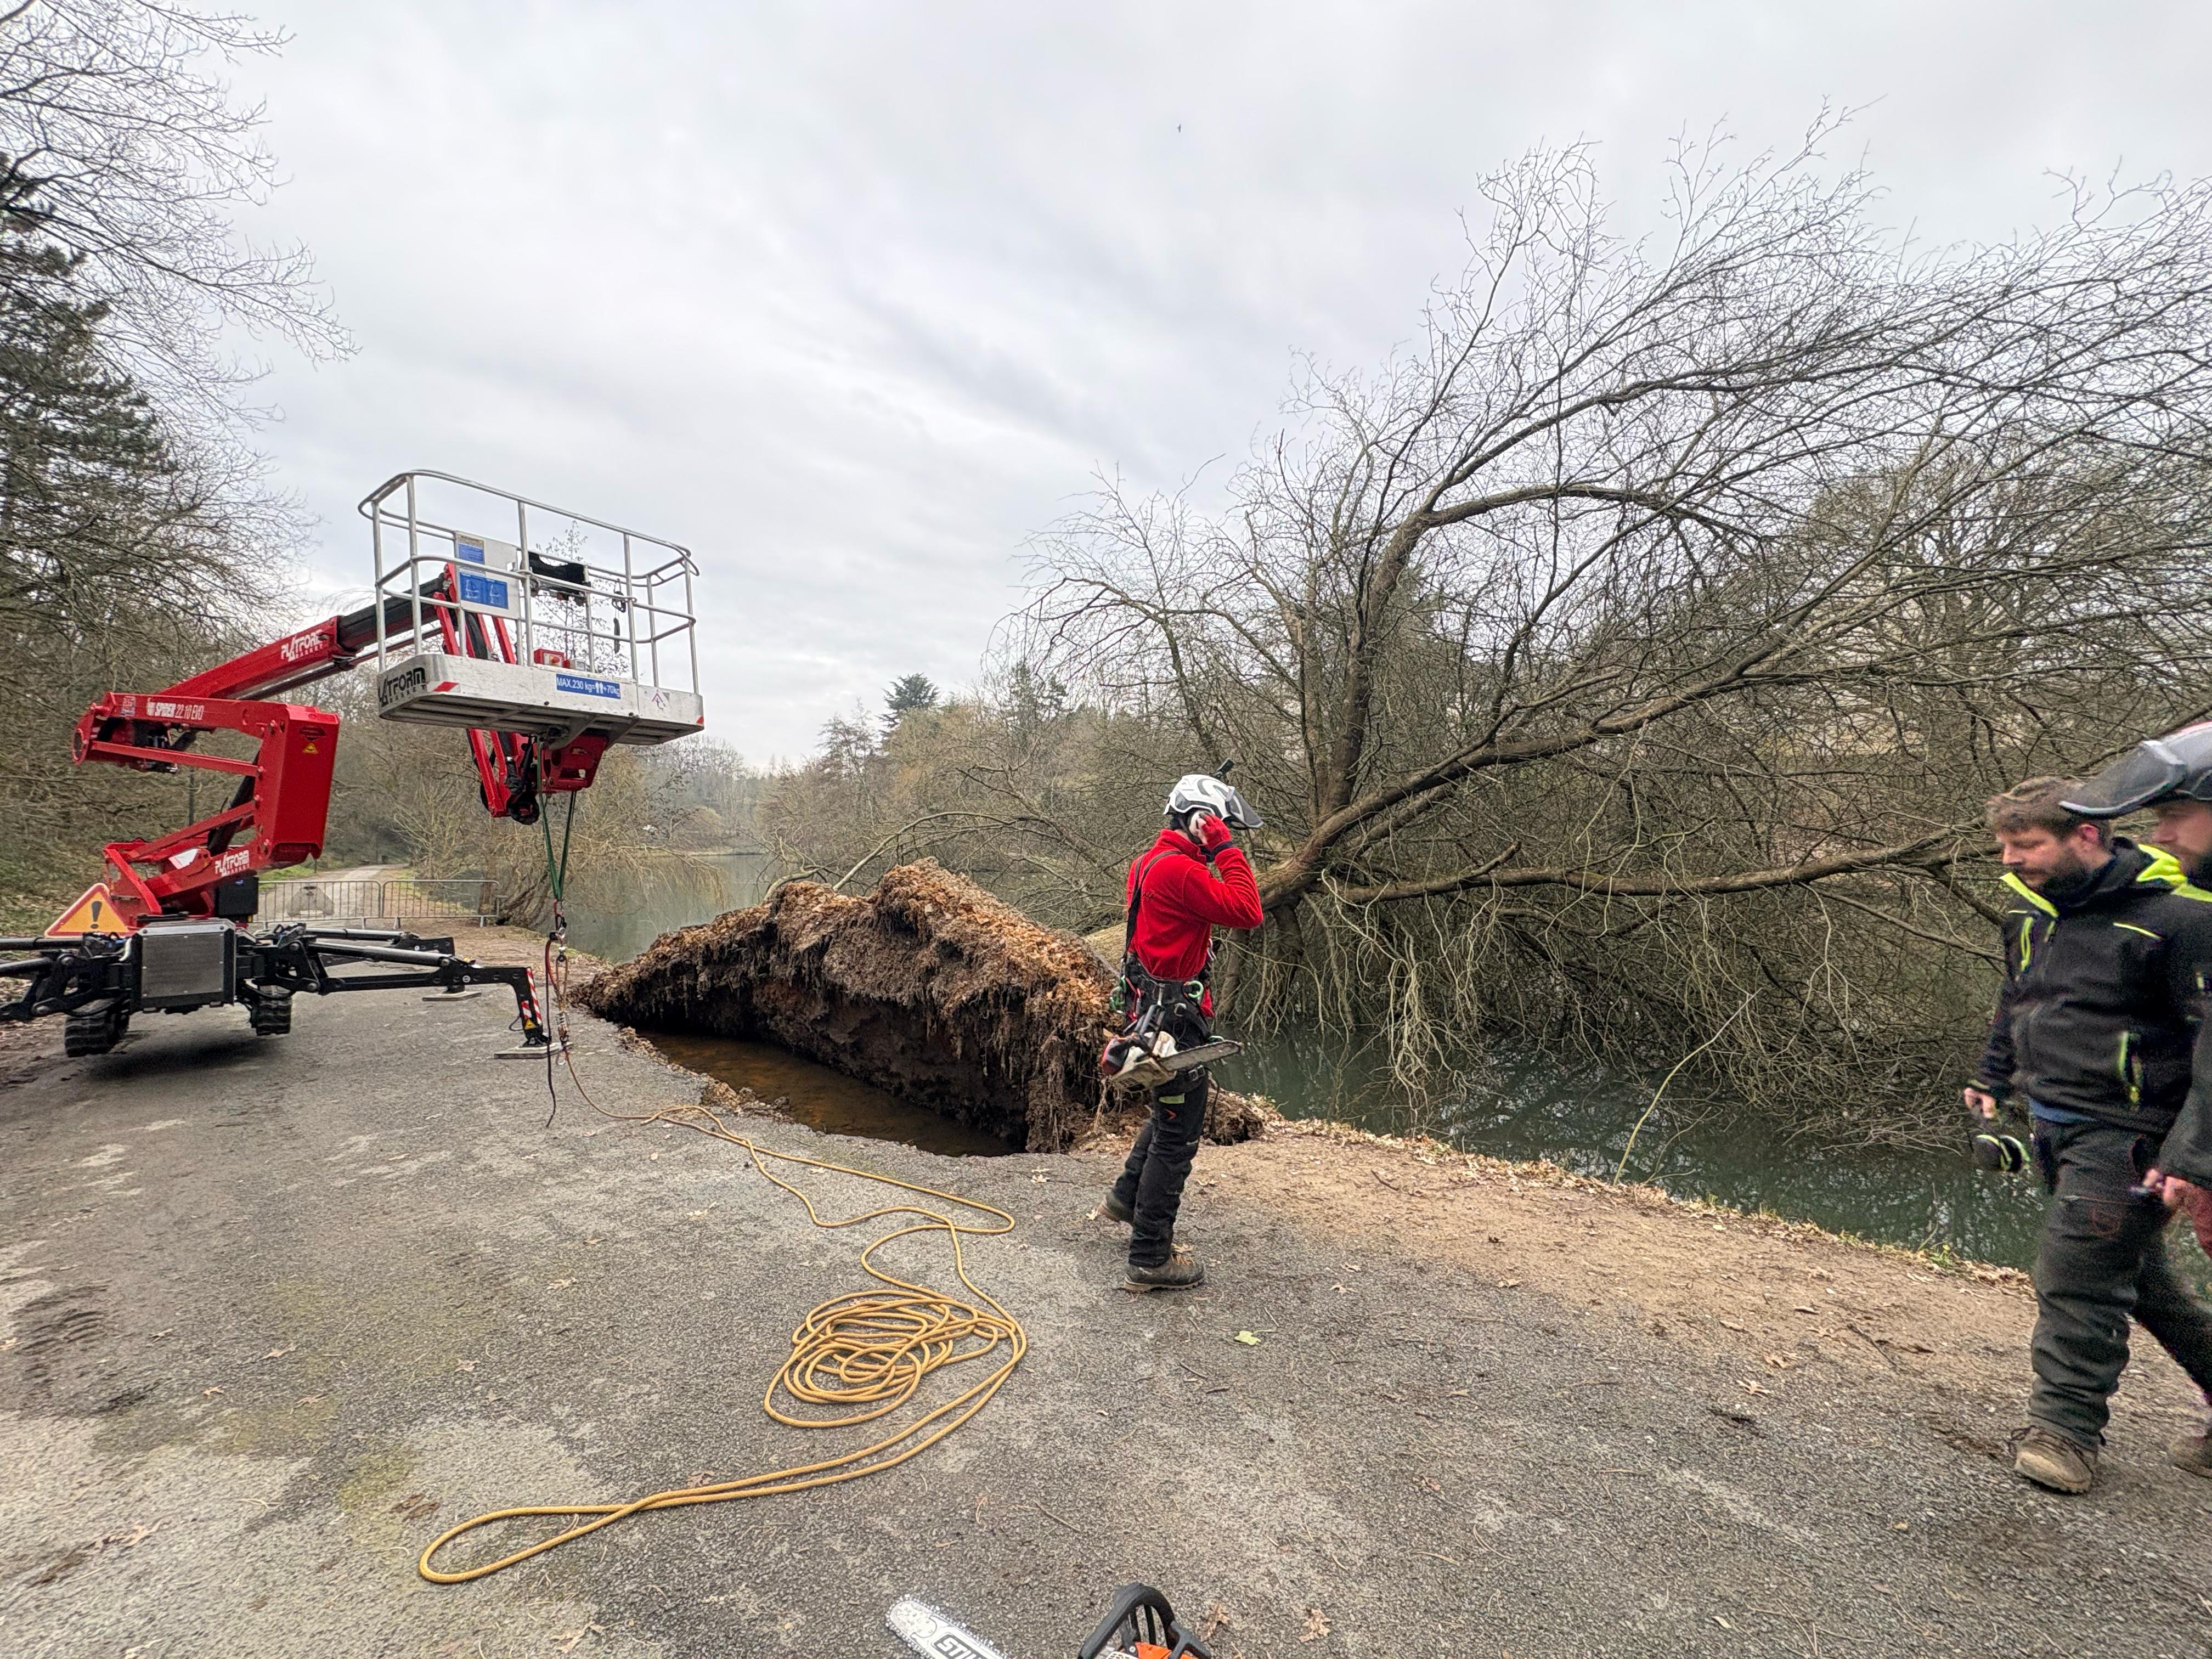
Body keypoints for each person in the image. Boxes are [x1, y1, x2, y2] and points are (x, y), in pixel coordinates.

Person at [1967, 774, 2212, 1494]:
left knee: (2074, 1278)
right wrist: (1992, 1080)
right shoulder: (2030, 918)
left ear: (2086, 836)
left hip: (2133, 1137)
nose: (2012, 859)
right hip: (2054, 1128)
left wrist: (2191, 1158)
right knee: (2143, 1288)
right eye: (2005, 846)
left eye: (2028, 843)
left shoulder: (2181, 924)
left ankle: (2066, 1434)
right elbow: (2016, 1001)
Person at [1101, 773, 1265, 1292]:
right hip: (1174, 1018)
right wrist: (1225, 847)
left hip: (1151, 1008)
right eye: (1218, 823)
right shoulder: (1181, 871)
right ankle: (1150, 1256)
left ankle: (1128, 1198)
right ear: (1199, 821)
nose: (1224, 832)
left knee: (1169, 1112)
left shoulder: (1148, 863)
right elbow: (1248, 911)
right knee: (1178, 1132)